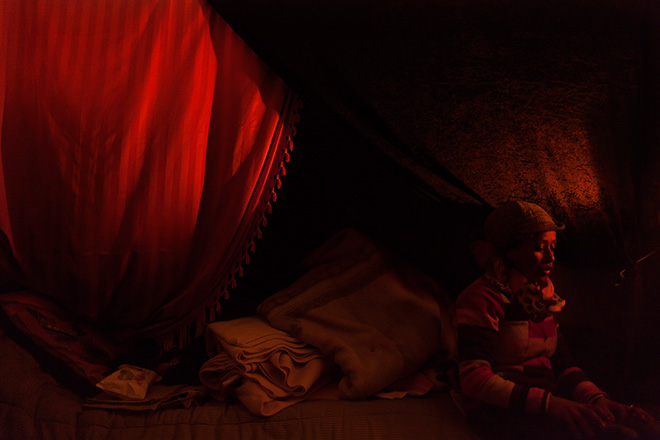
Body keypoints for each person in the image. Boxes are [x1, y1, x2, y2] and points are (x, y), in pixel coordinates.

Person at [453, 200, 656, 440]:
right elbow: (473, 378)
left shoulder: (543, 296)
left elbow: (562, 363)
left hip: (546, 399)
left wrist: (596, 399)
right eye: (539, 247)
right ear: (509, 250)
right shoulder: (482, 297)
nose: (550, 257)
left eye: (553, 246)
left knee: (647, 429)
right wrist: (553, 405)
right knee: (621, 437)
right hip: (498, 409)